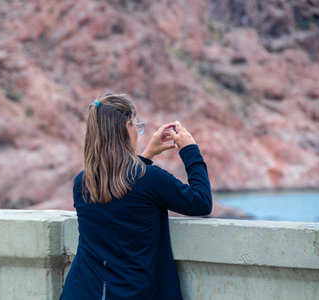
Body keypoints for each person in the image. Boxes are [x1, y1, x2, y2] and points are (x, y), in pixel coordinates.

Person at [60, 93, 212, 300]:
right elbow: (202, 202)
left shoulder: (83, 182)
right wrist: (190, 150)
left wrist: (146, 156)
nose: (138, 133)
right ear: (126, 127)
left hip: (82, 290)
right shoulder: (150, 179)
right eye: (136, 126)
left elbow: (123, 190)